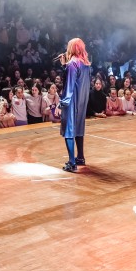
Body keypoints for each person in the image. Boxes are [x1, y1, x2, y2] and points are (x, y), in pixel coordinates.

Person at [56, 38, 91, 173]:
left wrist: (62, 104)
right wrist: (64, 65)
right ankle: (80, 157)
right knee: (79, 128)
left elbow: (69, 86)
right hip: (82, 99)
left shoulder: (72, 63)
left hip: (72, 100)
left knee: (69, 130)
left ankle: (71, 162)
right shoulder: (86, 63)